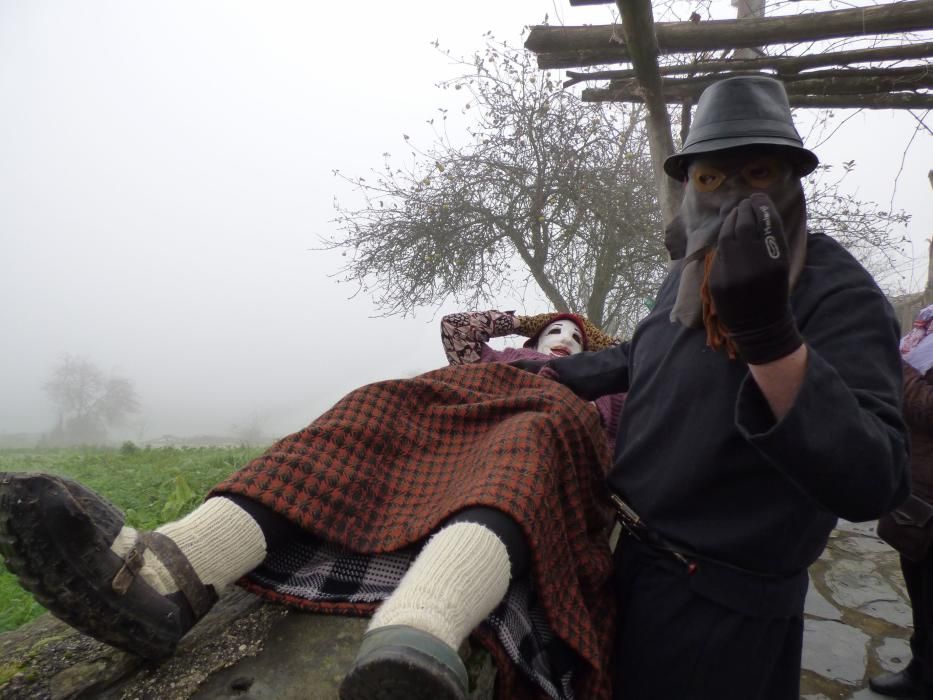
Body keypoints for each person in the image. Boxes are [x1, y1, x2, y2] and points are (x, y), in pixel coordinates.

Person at [516, 75, 910, 699]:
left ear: (791, 180)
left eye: (756, 175)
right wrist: (552, 371)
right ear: (689, 185)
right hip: (635, 563)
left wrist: (771, 339)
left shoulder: (838, 293)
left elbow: (874, 478)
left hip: (726, 605)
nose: (731, 197)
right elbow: (646, 356)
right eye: (709, 179)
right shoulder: (688, 274)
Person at [0, 309, 623, 700]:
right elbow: (457, 326)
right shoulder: (488, 356)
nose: (562, 340)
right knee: (363, 409)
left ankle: (419, 632)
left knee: (526, 446)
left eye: (575, 334)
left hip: (538, 428)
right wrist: (522, 321)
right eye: (554, 332)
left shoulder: (602, 388)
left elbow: (627, 421)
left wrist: (598, 358)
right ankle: (169, 576)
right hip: (442, 411)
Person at [871, 305, 933, 699]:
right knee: (921, 590)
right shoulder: (925, 328)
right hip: (919, 491)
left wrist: (900, 373)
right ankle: (923, 670)